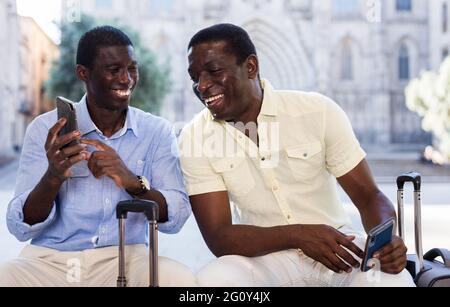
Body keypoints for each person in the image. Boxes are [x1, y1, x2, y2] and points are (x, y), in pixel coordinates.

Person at [179, 23, 415, 287]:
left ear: (251, 67)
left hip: (341, 250)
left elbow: (370, 197)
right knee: (215, 280)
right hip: (262, 260)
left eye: (213, 72)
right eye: (194, 77)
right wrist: (298, 235)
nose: (201, 86)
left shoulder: (317, 111)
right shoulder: (195, 137)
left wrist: (385, 240)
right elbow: (219, 236)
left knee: (388, 281)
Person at [0, 26, 195, 287]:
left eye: (131, 68)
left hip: (127, 257)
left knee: (180, 280)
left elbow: (177, 215)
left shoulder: (156, 131)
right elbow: (20, 226)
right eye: (114, 70)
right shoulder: (45, 129)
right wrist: (53, 176)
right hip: (52, 261)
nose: (127, 79)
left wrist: (132, 182)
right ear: (83, 73)